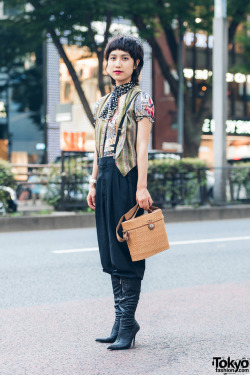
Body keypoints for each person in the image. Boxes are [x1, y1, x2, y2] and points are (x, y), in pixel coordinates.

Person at [87, 35, 154, 350]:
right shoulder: (102, 102)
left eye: (125, 58)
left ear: (136, 63)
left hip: (126, 178)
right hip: (105, 178)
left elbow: (142, 146)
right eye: (112, 57)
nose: (117, 63)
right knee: (110, 252)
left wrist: (142, 185)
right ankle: (121, 320)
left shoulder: (142, 99)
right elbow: (97, 146)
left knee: (127, 250)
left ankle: (127, 323)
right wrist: (93, 181)